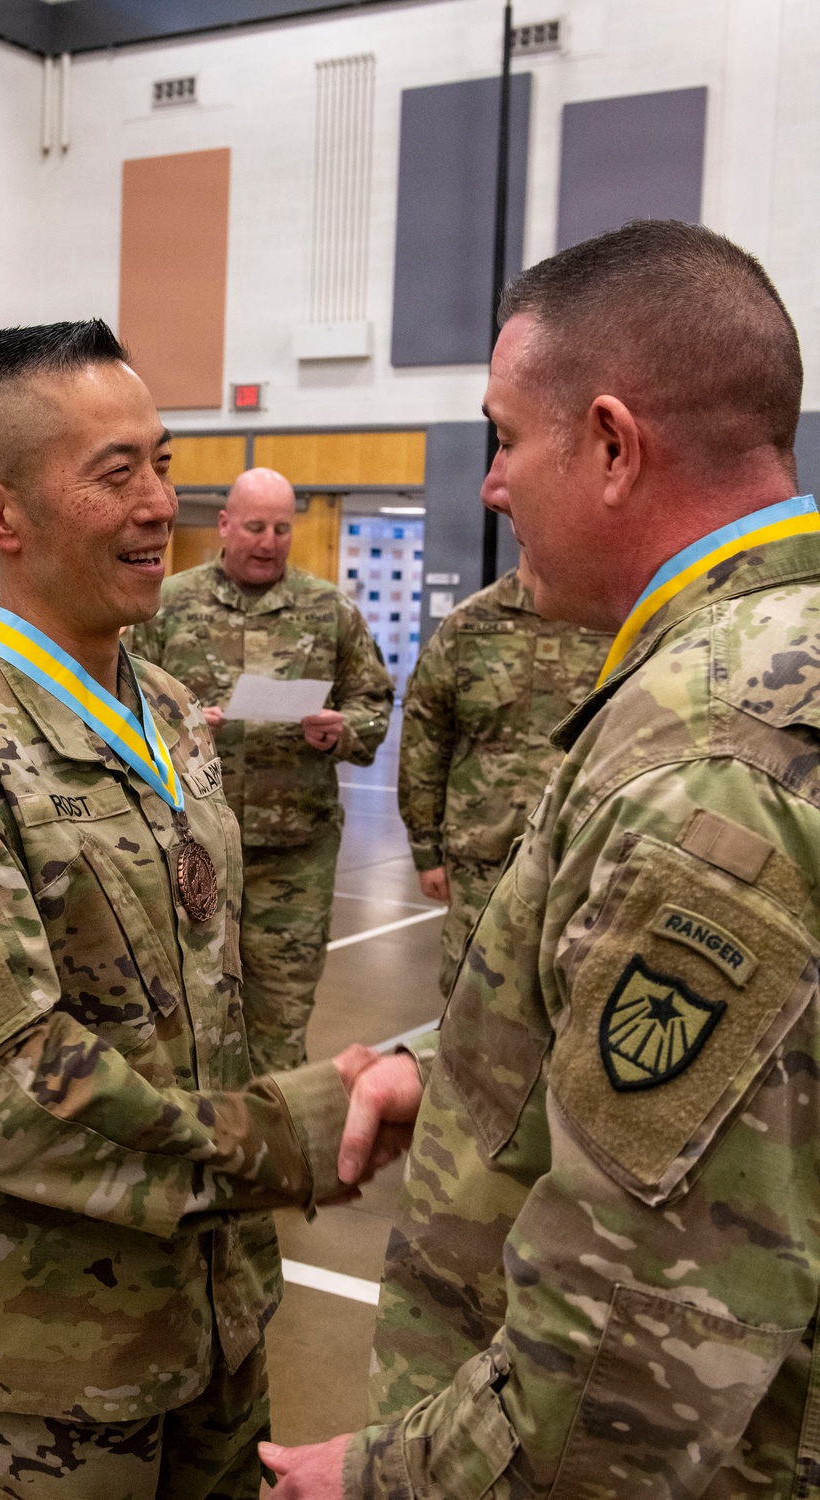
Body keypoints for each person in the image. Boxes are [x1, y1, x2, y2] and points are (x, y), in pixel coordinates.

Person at [259, 220, 820, 1497]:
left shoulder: (703, 768)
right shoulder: (769, 667)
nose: (491, 486)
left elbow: (638, 1350)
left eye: (506, 438)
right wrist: (458, 1069)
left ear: (614, 446)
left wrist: (384, 1482)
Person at [0, 320, 400, 1500]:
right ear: (0, 513)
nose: (158, 506)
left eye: (163, 463)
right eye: (114, 473)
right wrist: (272, 1140)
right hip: (33, 1384)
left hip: (214, 1331)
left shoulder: (176, 715)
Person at [126, 469, 393, 1075]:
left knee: (279, 1021)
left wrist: (341, 731)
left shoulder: (330, 611)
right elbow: (118, 706)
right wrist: (180, 731)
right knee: (185, 1019)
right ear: (225, 525)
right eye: (255, 526)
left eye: (281, 528)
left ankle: (275, 1152)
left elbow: (374, 703)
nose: (268, 541)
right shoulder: (168, 606)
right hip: (188, 852)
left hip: (293, 856)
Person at [399, 551, 611, 995]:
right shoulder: (469, 624)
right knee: (470, 994)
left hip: (584, 857)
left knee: (574, 991)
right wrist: (426, 849)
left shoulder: (613, 621)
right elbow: (425, 737)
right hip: (482, 856)